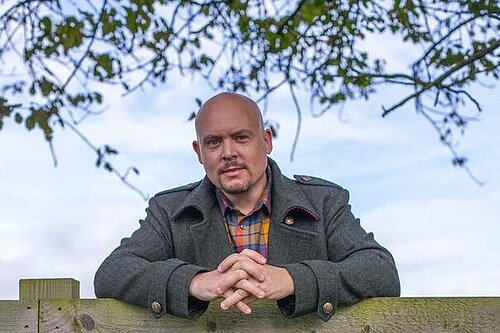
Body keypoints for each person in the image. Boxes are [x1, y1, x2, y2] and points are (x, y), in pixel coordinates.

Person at [94, 92, 400, 321]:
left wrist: (292, 280)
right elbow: (112, 273)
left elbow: (380, 271)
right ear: (199, 152)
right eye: (214, 143)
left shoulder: (322, 202)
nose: (228, 153)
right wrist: (196, 282)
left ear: (265, 141)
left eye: (241, 138)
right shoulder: (170, 211)